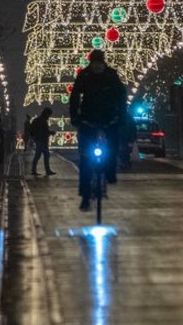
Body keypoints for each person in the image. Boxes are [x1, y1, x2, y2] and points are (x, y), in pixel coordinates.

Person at [69, 49, 126, 211]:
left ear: (103, 63)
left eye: (99, 64)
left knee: (113, 145)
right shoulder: (84, 76)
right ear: (90, 63)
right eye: (94, 64)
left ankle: (110, 173)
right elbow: (74, 97)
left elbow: (122, 97)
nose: (97, 67)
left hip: (109, 119)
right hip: (88, 120)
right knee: (85, 159)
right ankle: (85, 196)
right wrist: (75, 117)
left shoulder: (111, 75)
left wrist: (121, 116)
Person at [29, 107, 55, 177]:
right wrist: (50, 133)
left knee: (41, 155)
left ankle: (36, 170)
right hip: (41, 140)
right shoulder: (42, 121)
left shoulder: (37, 120)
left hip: (40, 140)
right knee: (42, 155)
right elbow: (43, 131)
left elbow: (32, 131)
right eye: (49, 115)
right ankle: (45, 170)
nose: (49, 117)